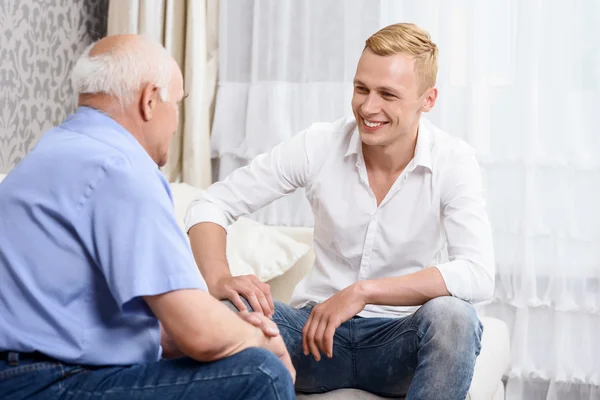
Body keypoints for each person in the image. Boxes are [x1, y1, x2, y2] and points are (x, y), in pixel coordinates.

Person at [185, 23, 495, 400]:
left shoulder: (454, 161)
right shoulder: (319, 144)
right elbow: (211, 203)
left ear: (427, 100)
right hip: (312, 339)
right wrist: (218, 278)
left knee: (454, 318)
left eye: (387, 94)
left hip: (396, 347)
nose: (368, 107)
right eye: (361, 88)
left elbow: (478, 273)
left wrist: (363, 292)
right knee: (221, 310)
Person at [0, 34, 295, 400]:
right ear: (150, 100)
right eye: (179, 105)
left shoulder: (52, 152)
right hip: (45, 382)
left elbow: (139, 328)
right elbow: (198, 334)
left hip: (25, 371)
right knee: (261, 374)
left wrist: (233, 328)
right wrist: (261, 341)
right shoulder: (120, 168)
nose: (175, 124)